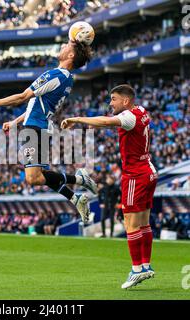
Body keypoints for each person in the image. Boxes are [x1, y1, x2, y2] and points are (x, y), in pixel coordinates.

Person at [0, 40, 97, 223]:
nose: (62, 46)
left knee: (33, 178)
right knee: (41, 176)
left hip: (35, 128)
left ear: (71, 55)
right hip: (39, 126)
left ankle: (79, 179)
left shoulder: (55, 75)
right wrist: (15, 121)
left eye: (67, 45)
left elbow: (22, 97)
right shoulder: (67, 79)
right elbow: (38, 105)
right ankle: (75, 197)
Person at [61, 84, 158, 289]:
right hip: (149, 171)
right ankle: (145, 265)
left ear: (125, 100)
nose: (110, 103)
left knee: (130, 224)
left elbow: (105, 122)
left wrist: (76, 119)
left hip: (135, 175)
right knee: (143, 223)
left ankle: (137, 270)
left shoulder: (129, 116)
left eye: (113, 99)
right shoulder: (141, 111)